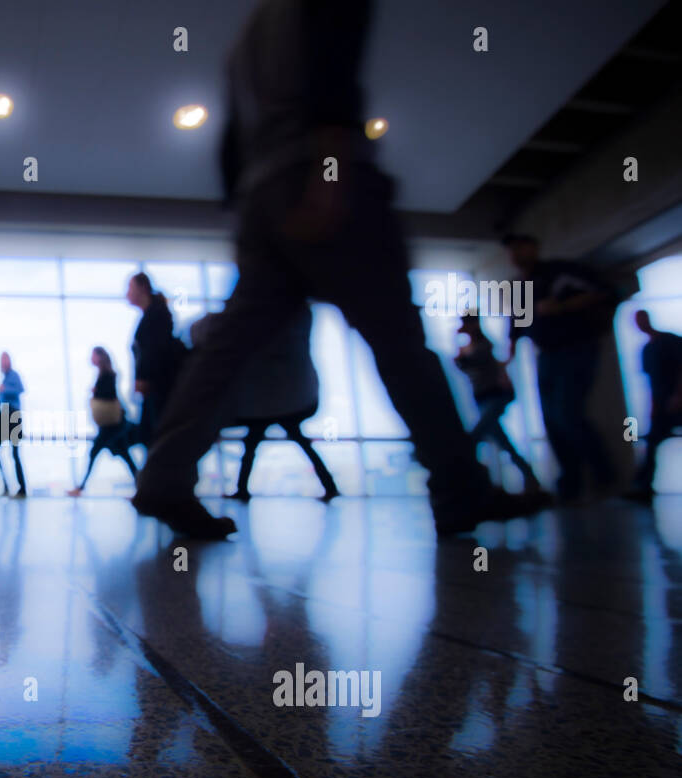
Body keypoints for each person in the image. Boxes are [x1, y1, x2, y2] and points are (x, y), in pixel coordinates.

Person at [133, 0, 546, 539]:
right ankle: (459, 487)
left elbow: (232, 142)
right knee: (399, 342)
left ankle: (163, 477)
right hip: (322, 172)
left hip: (263, 196)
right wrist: (331, 173)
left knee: (223, 355)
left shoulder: (245, 42)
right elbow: (333, 74)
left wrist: (251, 217)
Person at [502, 233, 619, 502]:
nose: (515, 254)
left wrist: (562, 306)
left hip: (576, 348)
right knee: (552, 420)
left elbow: (604, 292)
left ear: (534, 247)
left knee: (567, 413)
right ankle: (571, 482)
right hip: (546, 355)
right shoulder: (520, 286)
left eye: (520, 247)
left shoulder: (560, 272)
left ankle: (604, 474)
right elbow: (517, 327)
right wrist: (505, 363)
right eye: (511, 249)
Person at [200, 305, 340, 502]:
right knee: (292, 444)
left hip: (269, 404)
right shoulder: (296, 320)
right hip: (284, 402)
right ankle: (329, 486)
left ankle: (242, 490)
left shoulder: (272, 324)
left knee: (252, 447)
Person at [454, 311, 542, 494]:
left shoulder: (483, 345)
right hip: (484, 398)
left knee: (475, 436)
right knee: (503, 443)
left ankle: (467, 481)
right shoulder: (472, 346)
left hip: (495, 395)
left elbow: (466, 363)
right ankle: (530, 478)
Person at [69, 347, 139, 496]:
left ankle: (80, 488)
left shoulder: (107, 375)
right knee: (124, 454)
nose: (91, 359)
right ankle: (142, 484)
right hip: (112, 424)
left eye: (93, 355)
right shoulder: (104, 374)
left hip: (112, 424)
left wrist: (96, 392)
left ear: (99, 357)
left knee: (96, 452)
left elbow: (110, 394)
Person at [627, 309, 682, 500]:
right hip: (662, 405)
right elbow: (651, 383)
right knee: (652, 442)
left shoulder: (670, 341)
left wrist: (678, 395)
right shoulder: (647, 350)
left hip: (675, 401)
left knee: (653, 442)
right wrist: (653, 407)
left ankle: (643, 485)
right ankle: (643, 485)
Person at [128, 272, 183, 449]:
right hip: (155, 386)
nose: (127, 294)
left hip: (158, 386)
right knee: (149, 435)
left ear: (142, 288)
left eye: (130, 288)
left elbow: (154, 350)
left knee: (156, 436)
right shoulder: (153, 314)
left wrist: (145, 378)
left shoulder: (157, 314)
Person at [0, 351, 27, 496]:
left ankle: (22, 489)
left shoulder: (13, 375)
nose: (3, 363)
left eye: (5, 359)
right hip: (4, 413)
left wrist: (5, 390)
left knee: (15, 453)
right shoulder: (3, 380)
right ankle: (7, 485)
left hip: (12, 414)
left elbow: (21, 390)